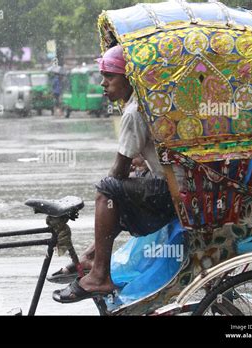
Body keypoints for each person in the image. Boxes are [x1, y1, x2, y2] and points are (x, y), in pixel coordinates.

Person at [52, 45, 179, 303]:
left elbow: (118, 171)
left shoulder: (134, 112)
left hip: (171, 193)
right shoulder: (148, 101)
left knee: (108, 188)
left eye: (110, 76)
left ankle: (99, 274)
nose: (103, 83)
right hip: (174, 185)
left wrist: (109, 189)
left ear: (129, 77)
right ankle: (91, 257)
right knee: (120, 190)